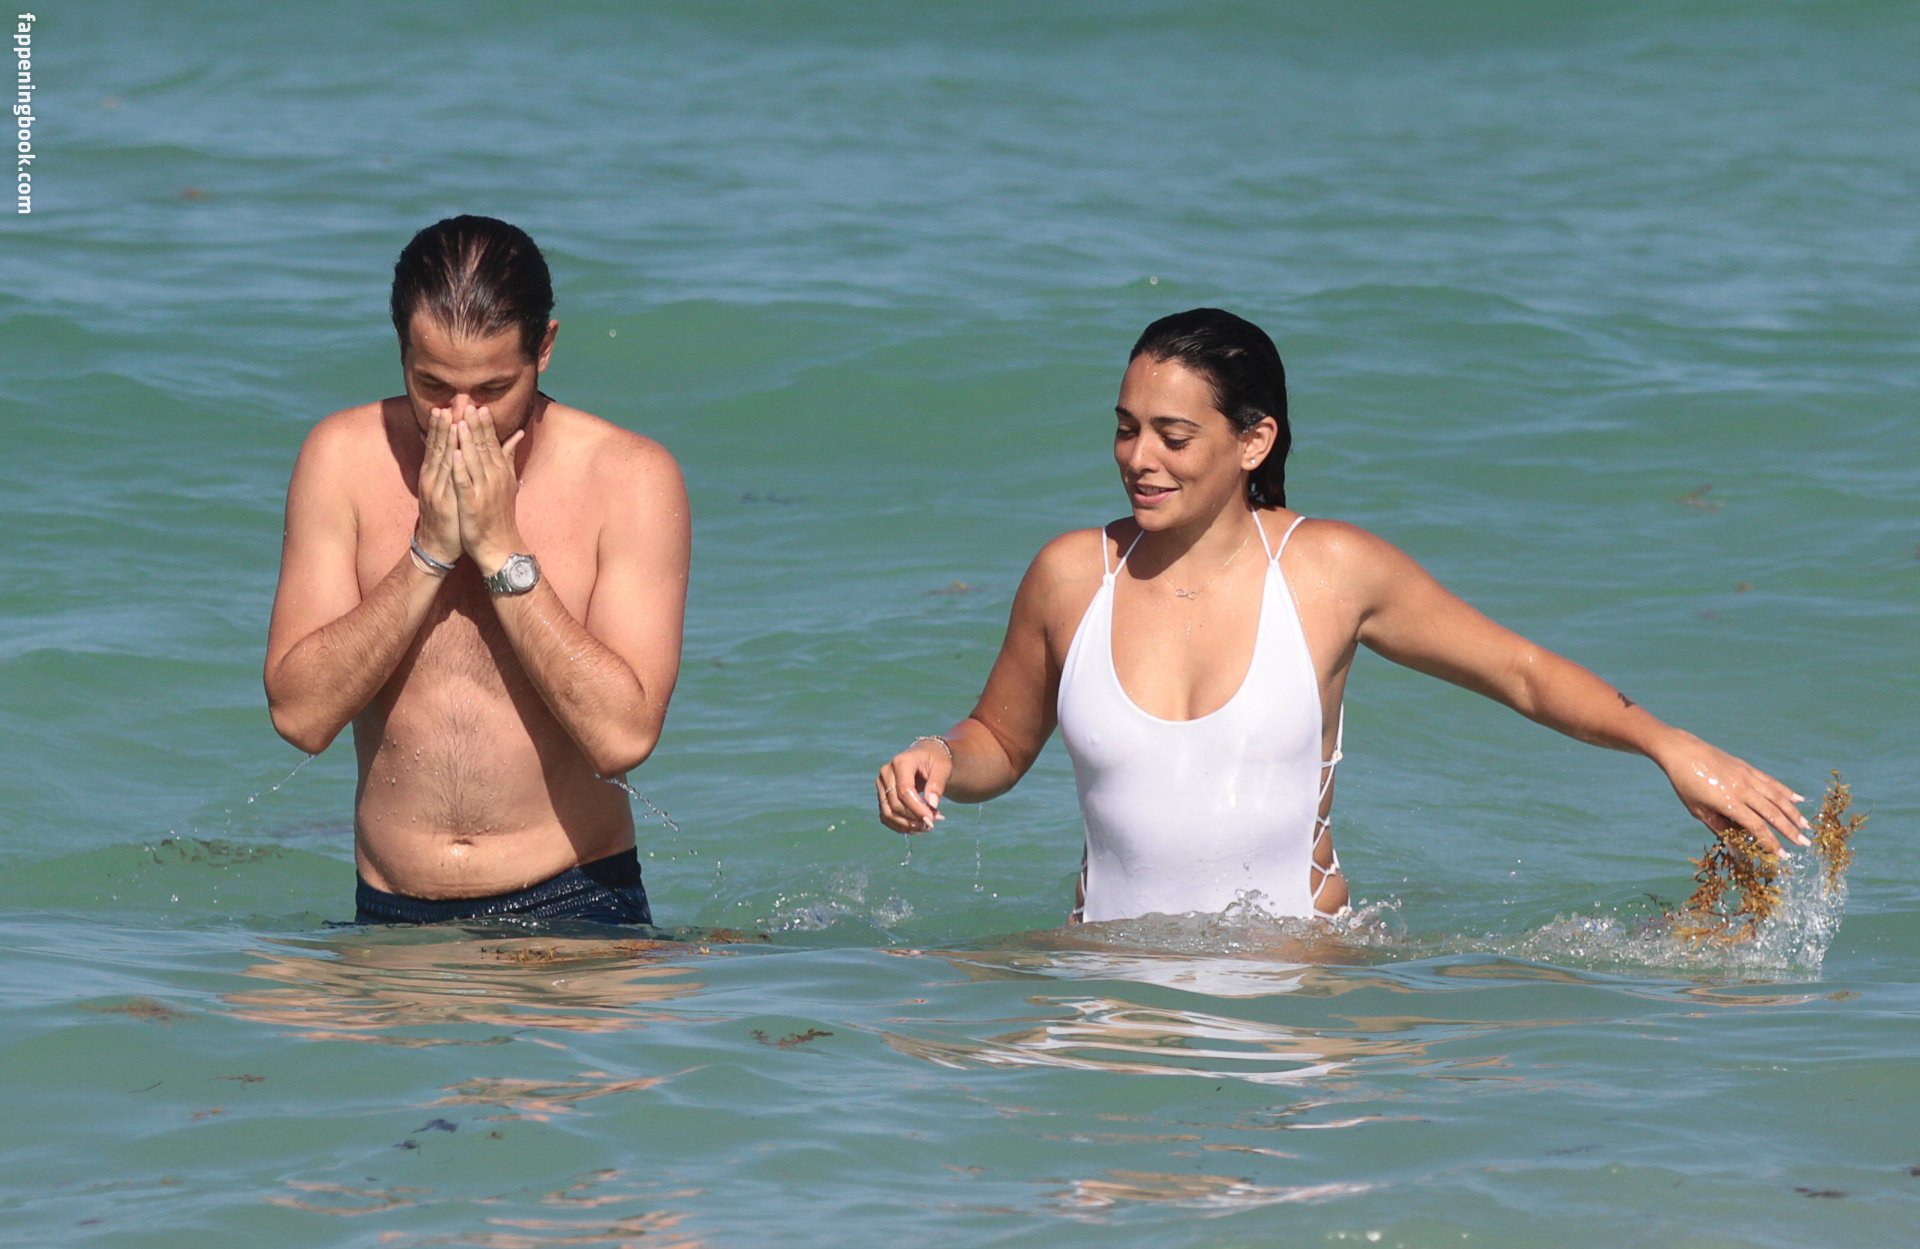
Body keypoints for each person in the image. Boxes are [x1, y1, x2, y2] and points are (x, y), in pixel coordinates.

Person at [875, 308, 1809, 924]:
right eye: (1126, 428)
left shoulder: (1327, 573)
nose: (1139, 458)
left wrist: (1667, 744)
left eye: (1173, 435)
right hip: (1109, 986)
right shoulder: (1073, 574)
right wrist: (941, 757)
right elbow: (1002, 739)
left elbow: (1519, 672)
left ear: (1254, 441)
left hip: (1302, 985)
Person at [265, 216, 690, 925]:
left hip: (575, 900)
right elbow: (299, 716)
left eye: (492, 389)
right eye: (433, 386)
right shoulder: (340, 458)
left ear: (544, 348)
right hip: (389, 912)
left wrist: (500, 551)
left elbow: (623, 738)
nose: (461, 420)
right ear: (401, 351)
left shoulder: (629, 477)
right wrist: (428, 553)